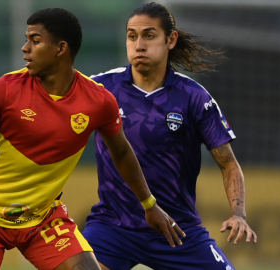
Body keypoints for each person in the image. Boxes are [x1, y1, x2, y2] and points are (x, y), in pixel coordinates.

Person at [0, 8, 184, 270]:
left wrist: (149, 204)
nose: (25, 48)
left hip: (42, 219)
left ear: (61, 49)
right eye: (26, 40)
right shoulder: (5, 90)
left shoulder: (98, 101)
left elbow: (122, 153)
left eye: (35, 41)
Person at [82, 2, 257, 270]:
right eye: (132, 36)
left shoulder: (194, 98)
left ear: (170, 40)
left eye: (149, 36)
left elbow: (228, 163)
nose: (139, 45)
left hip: (177, 230)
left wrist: (238, 214)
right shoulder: (101, 88)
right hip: (113, 226)